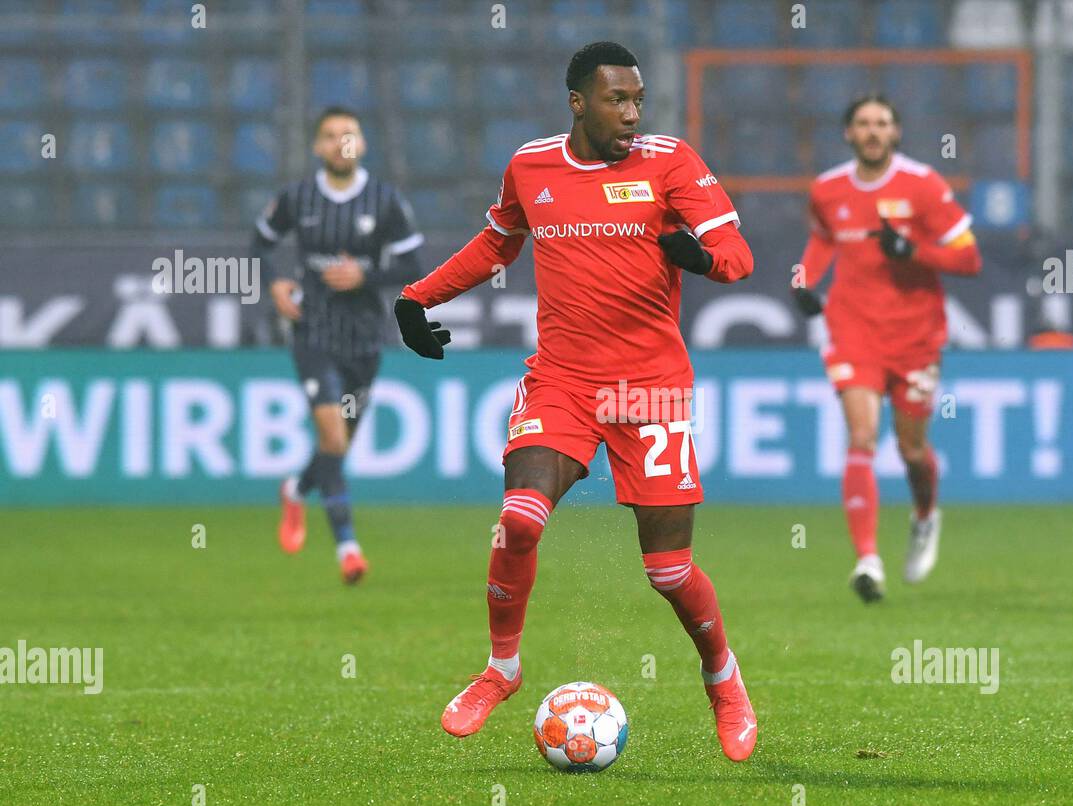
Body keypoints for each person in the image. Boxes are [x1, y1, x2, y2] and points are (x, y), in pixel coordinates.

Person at [393, 42, 759, 760]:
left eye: (637, 101)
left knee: (669, 572)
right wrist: (416, 298)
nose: (631, 114)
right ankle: (502, 669)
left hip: (651, 388)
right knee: (518, 520)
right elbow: (496, 245)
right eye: (617, 100)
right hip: (563, 380)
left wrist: (703, 258)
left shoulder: (670, 162)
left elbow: (739, 255)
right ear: (578, 103)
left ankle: (723, 677)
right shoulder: (532, 166)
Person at [792, 94, 982, 604]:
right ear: (848, 134)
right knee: (860, 436)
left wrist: (914, 252)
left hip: (915, 335)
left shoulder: (923, 184)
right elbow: (820, 242)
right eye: (862, 123)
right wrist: (804, 281)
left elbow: (970, 259)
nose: (872, 131)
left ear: (896, 133)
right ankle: (868, 560)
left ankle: (924, 517)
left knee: (912, 450)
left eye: (881, 123)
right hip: (853, 329)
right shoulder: (827, 189)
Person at [252, 107, 425, 584]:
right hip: (313, 332)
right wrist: (276, 284)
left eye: (348, 134)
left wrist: (366, 274)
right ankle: (348, 549)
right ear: (317, 147)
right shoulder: (297, 198)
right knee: (331, 438)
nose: (339, 143)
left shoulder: (385, 201)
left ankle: (295, 487)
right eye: (329, 136)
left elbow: (414, 265)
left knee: (338, 446)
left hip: (365, 337)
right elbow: (260, 243)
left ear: (362, 144)